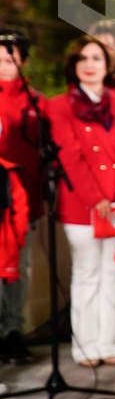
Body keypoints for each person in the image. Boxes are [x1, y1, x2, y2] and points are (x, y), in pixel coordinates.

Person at [47, 36, 115, 367]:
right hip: (80, 208)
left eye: (96, 58)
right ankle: (85, 346)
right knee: (87, 273)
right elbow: (70, 158)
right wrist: (96, 199)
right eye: (83, 59)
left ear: (108, 65)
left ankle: (107, 342)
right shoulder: (59, 106)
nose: (90, 64)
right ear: (73, 66)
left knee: (112, 273)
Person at [0, 28, 43, 364]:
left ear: (23, 62)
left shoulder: (36, 101)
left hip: (23, 199)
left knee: (20, 266)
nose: (4, 66)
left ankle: (14, 330)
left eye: (10, 60)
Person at [0, 116, 30, 382]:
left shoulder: (7, 172)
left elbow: (20, 207)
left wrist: (18, 238)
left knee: (11, 291)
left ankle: (11, 334)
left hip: (6, 244)